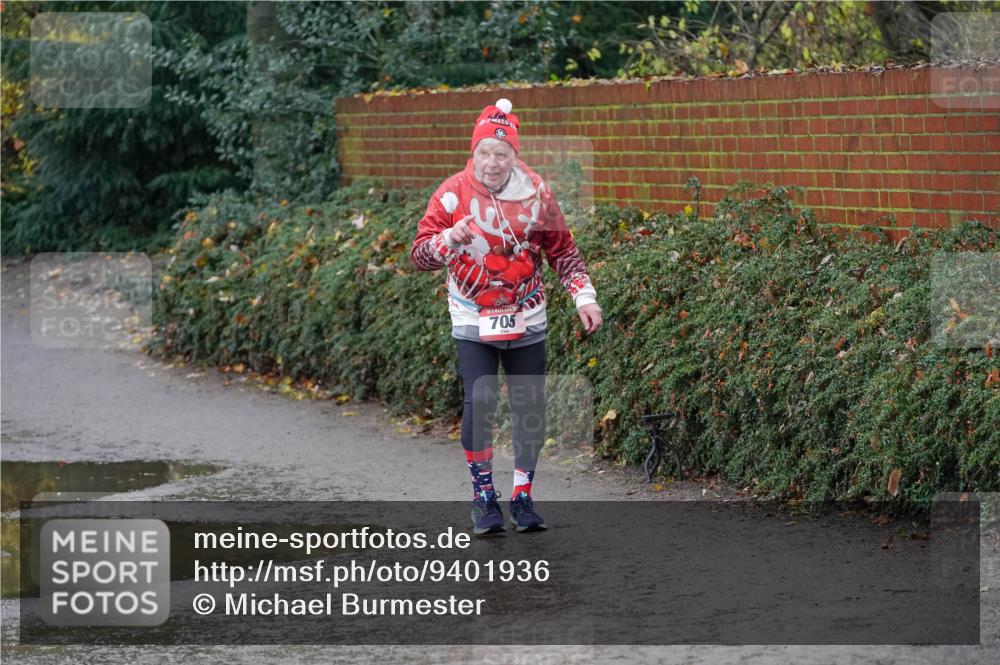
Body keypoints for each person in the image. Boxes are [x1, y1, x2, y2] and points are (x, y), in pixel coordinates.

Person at [410, 98, 602, 535]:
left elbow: (563, 250)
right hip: (472, 316)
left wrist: (583, 298)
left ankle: (522, 496)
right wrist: (447, 240)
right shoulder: (452, 193)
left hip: (527, 315)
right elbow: (419, 256)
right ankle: (483, 498)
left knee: (529, 407)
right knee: (480, 403)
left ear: (514, 155)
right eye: (484, 153)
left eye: (502, 153)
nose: (492, 162)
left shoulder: (537, 192)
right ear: (473, 152)